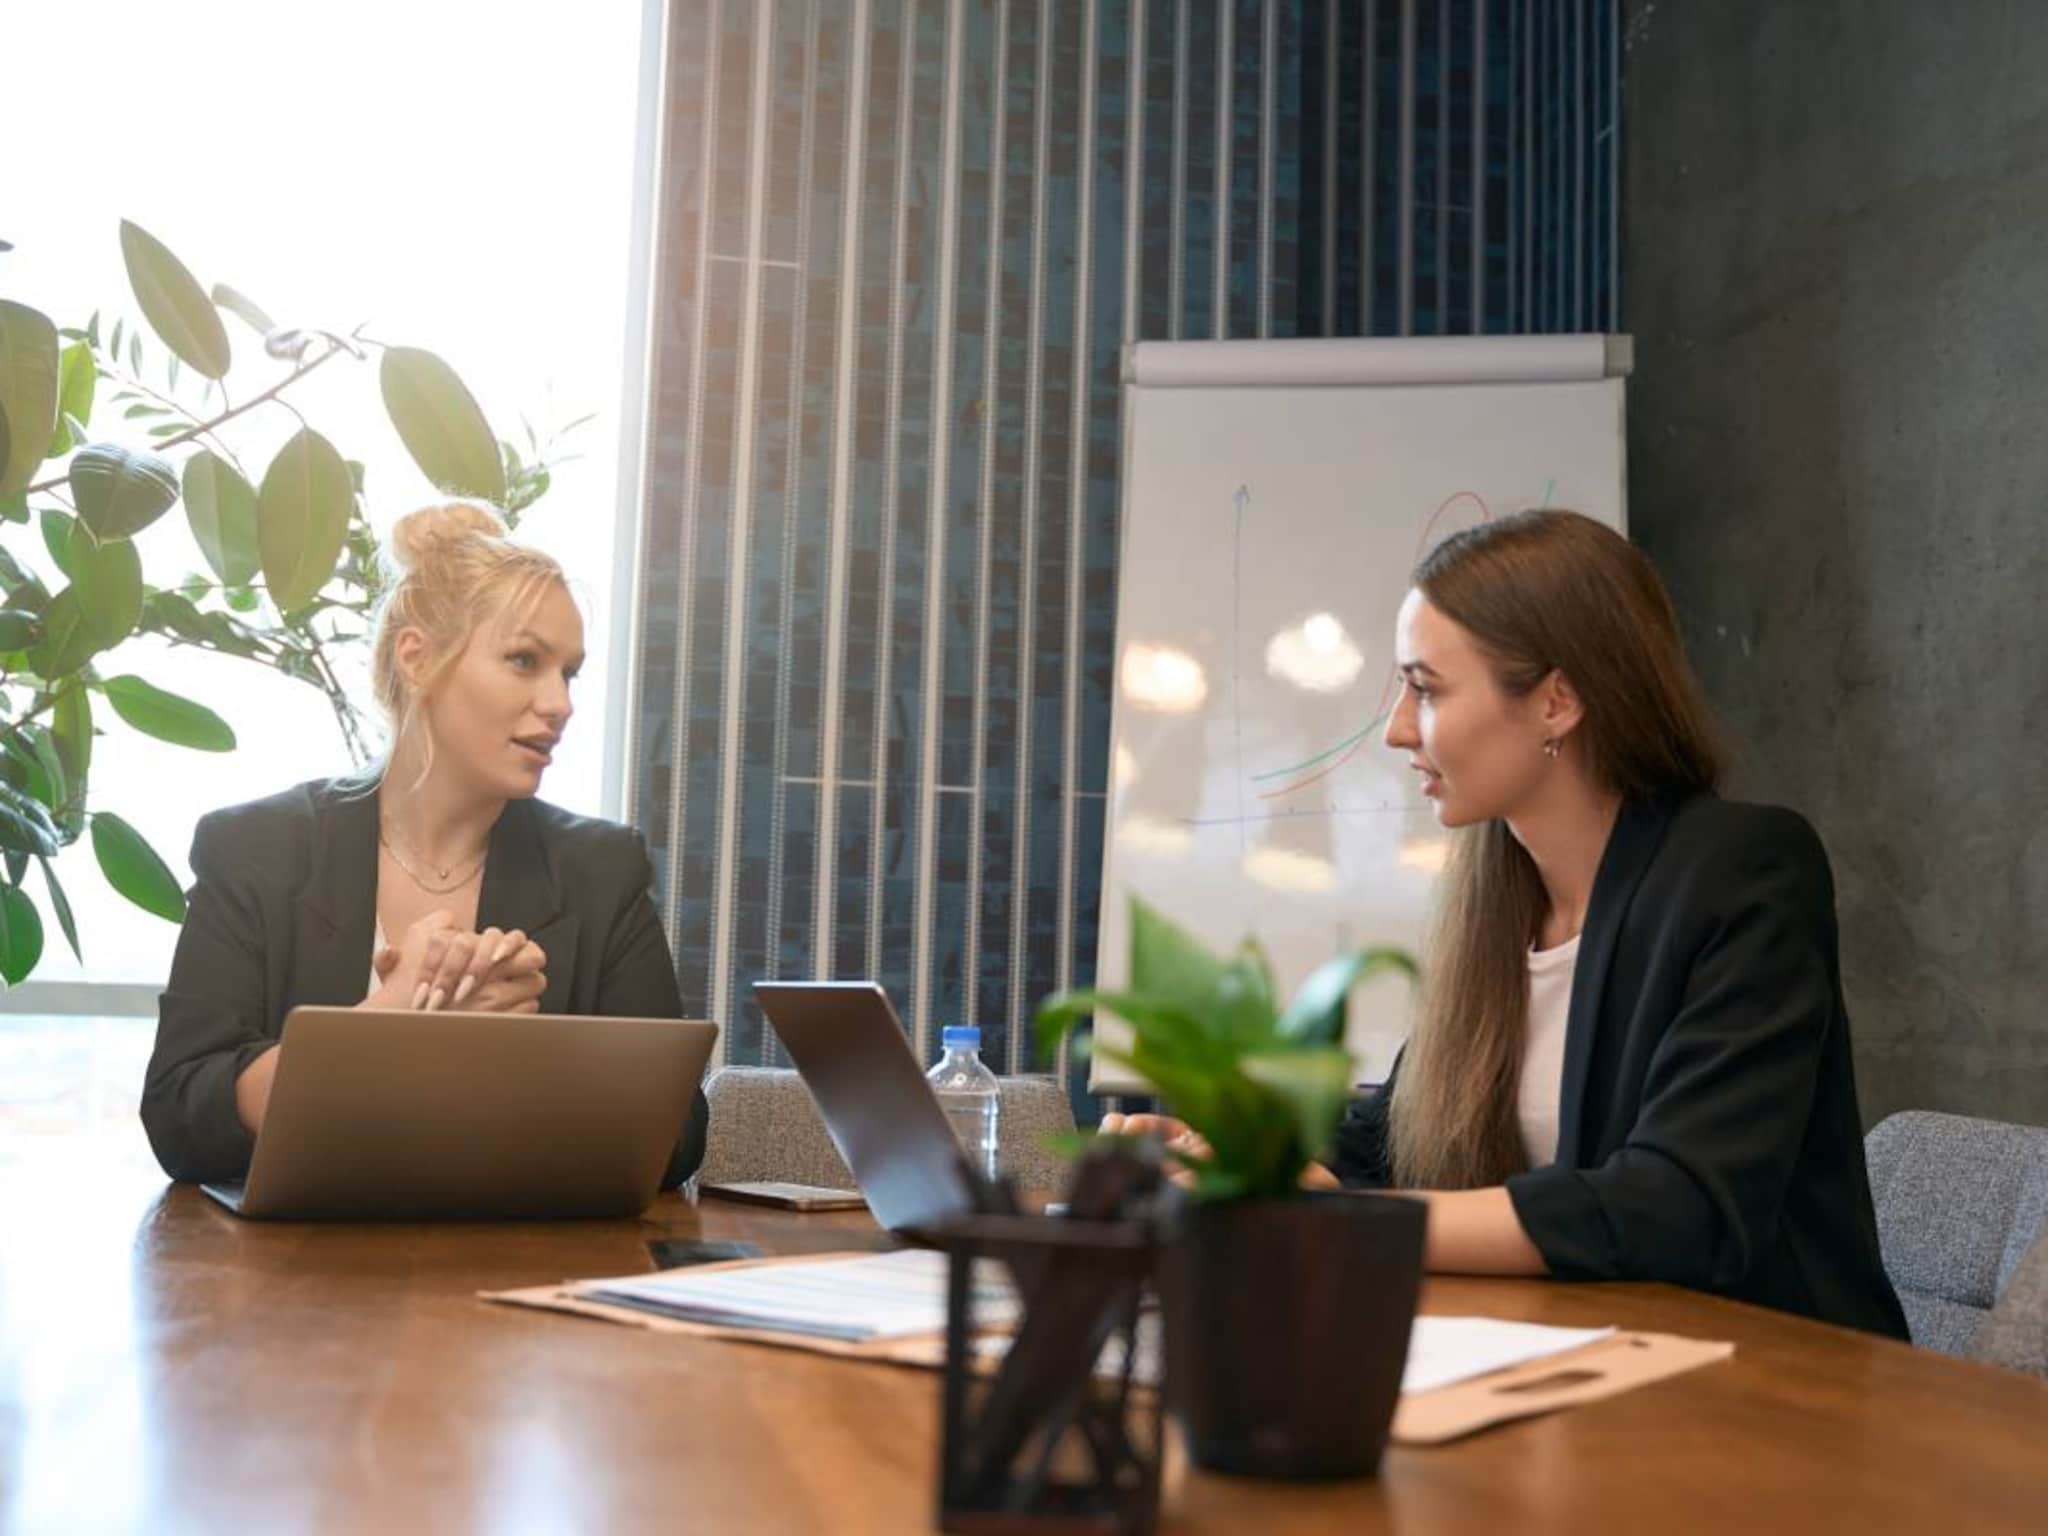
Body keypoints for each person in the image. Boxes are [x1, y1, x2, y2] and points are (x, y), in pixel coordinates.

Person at [1106, 510, 1907, 1338]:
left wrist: (1342, 1220)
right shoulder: (1496, 899)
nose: (1396, 730)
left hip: (1776, 1387)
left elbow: (1679, 1208)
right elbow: (1395, 1145)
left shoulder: (1745, 870)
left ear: (1557, 701)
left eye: (1427, 689)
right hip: (1587, 1365)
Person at [142, 501, 709, 1188]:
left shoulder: (602, 869)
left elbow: (677, 1133)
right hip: (290, 1277)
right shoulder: (255, 847)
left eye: (569, 673)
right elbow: (179, 1114)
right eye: (525, 660)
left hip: (522, 1270)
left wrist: (510, 1054)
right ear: (417, 657)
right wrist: (391, 1023)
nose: (560, 703)